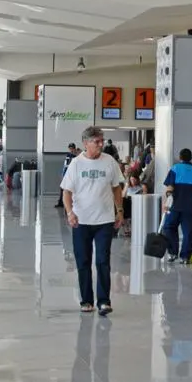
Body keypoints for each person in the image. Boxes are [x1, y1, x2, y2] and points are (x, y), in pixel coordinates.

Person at [60, 126, 125, 315]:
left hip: (104, 220)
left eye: (102, 140)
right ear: (85, 143)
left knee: (103, 261)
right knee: (83, 261)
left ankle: (104, 301)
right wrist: (70, 212)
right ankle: (86, 300)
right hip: (81, 221)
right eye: (96, 141)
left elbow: (116, 188)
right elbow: (66, 192)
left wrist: (119, 211)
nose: (100, 144)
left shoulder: (109, 161)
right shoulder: (76, 164)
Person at [161, 148, 192, 265]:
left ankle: (173, 252)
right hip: (189, 209)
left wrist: (166, 202)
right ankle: (185, 257)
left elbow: (169, 188)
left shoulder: (175, 169)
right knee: (189, 233)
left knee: (169, 228)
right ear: (191, 158)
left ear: (180, 158)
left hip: (174, 207)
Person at [55, 143, 78, 207]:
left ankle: (73, 203)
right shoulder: (68, 155)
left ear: (74, 148)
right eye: (70, 148)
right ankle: (61, 203)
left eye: (72, 148)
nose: (71, 150)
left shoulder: (77, 156)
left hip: (73, 175)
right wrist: (63, 174)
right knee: (62, 188)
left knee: (72, 189)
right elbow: (65, 166)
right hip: (66, 174)